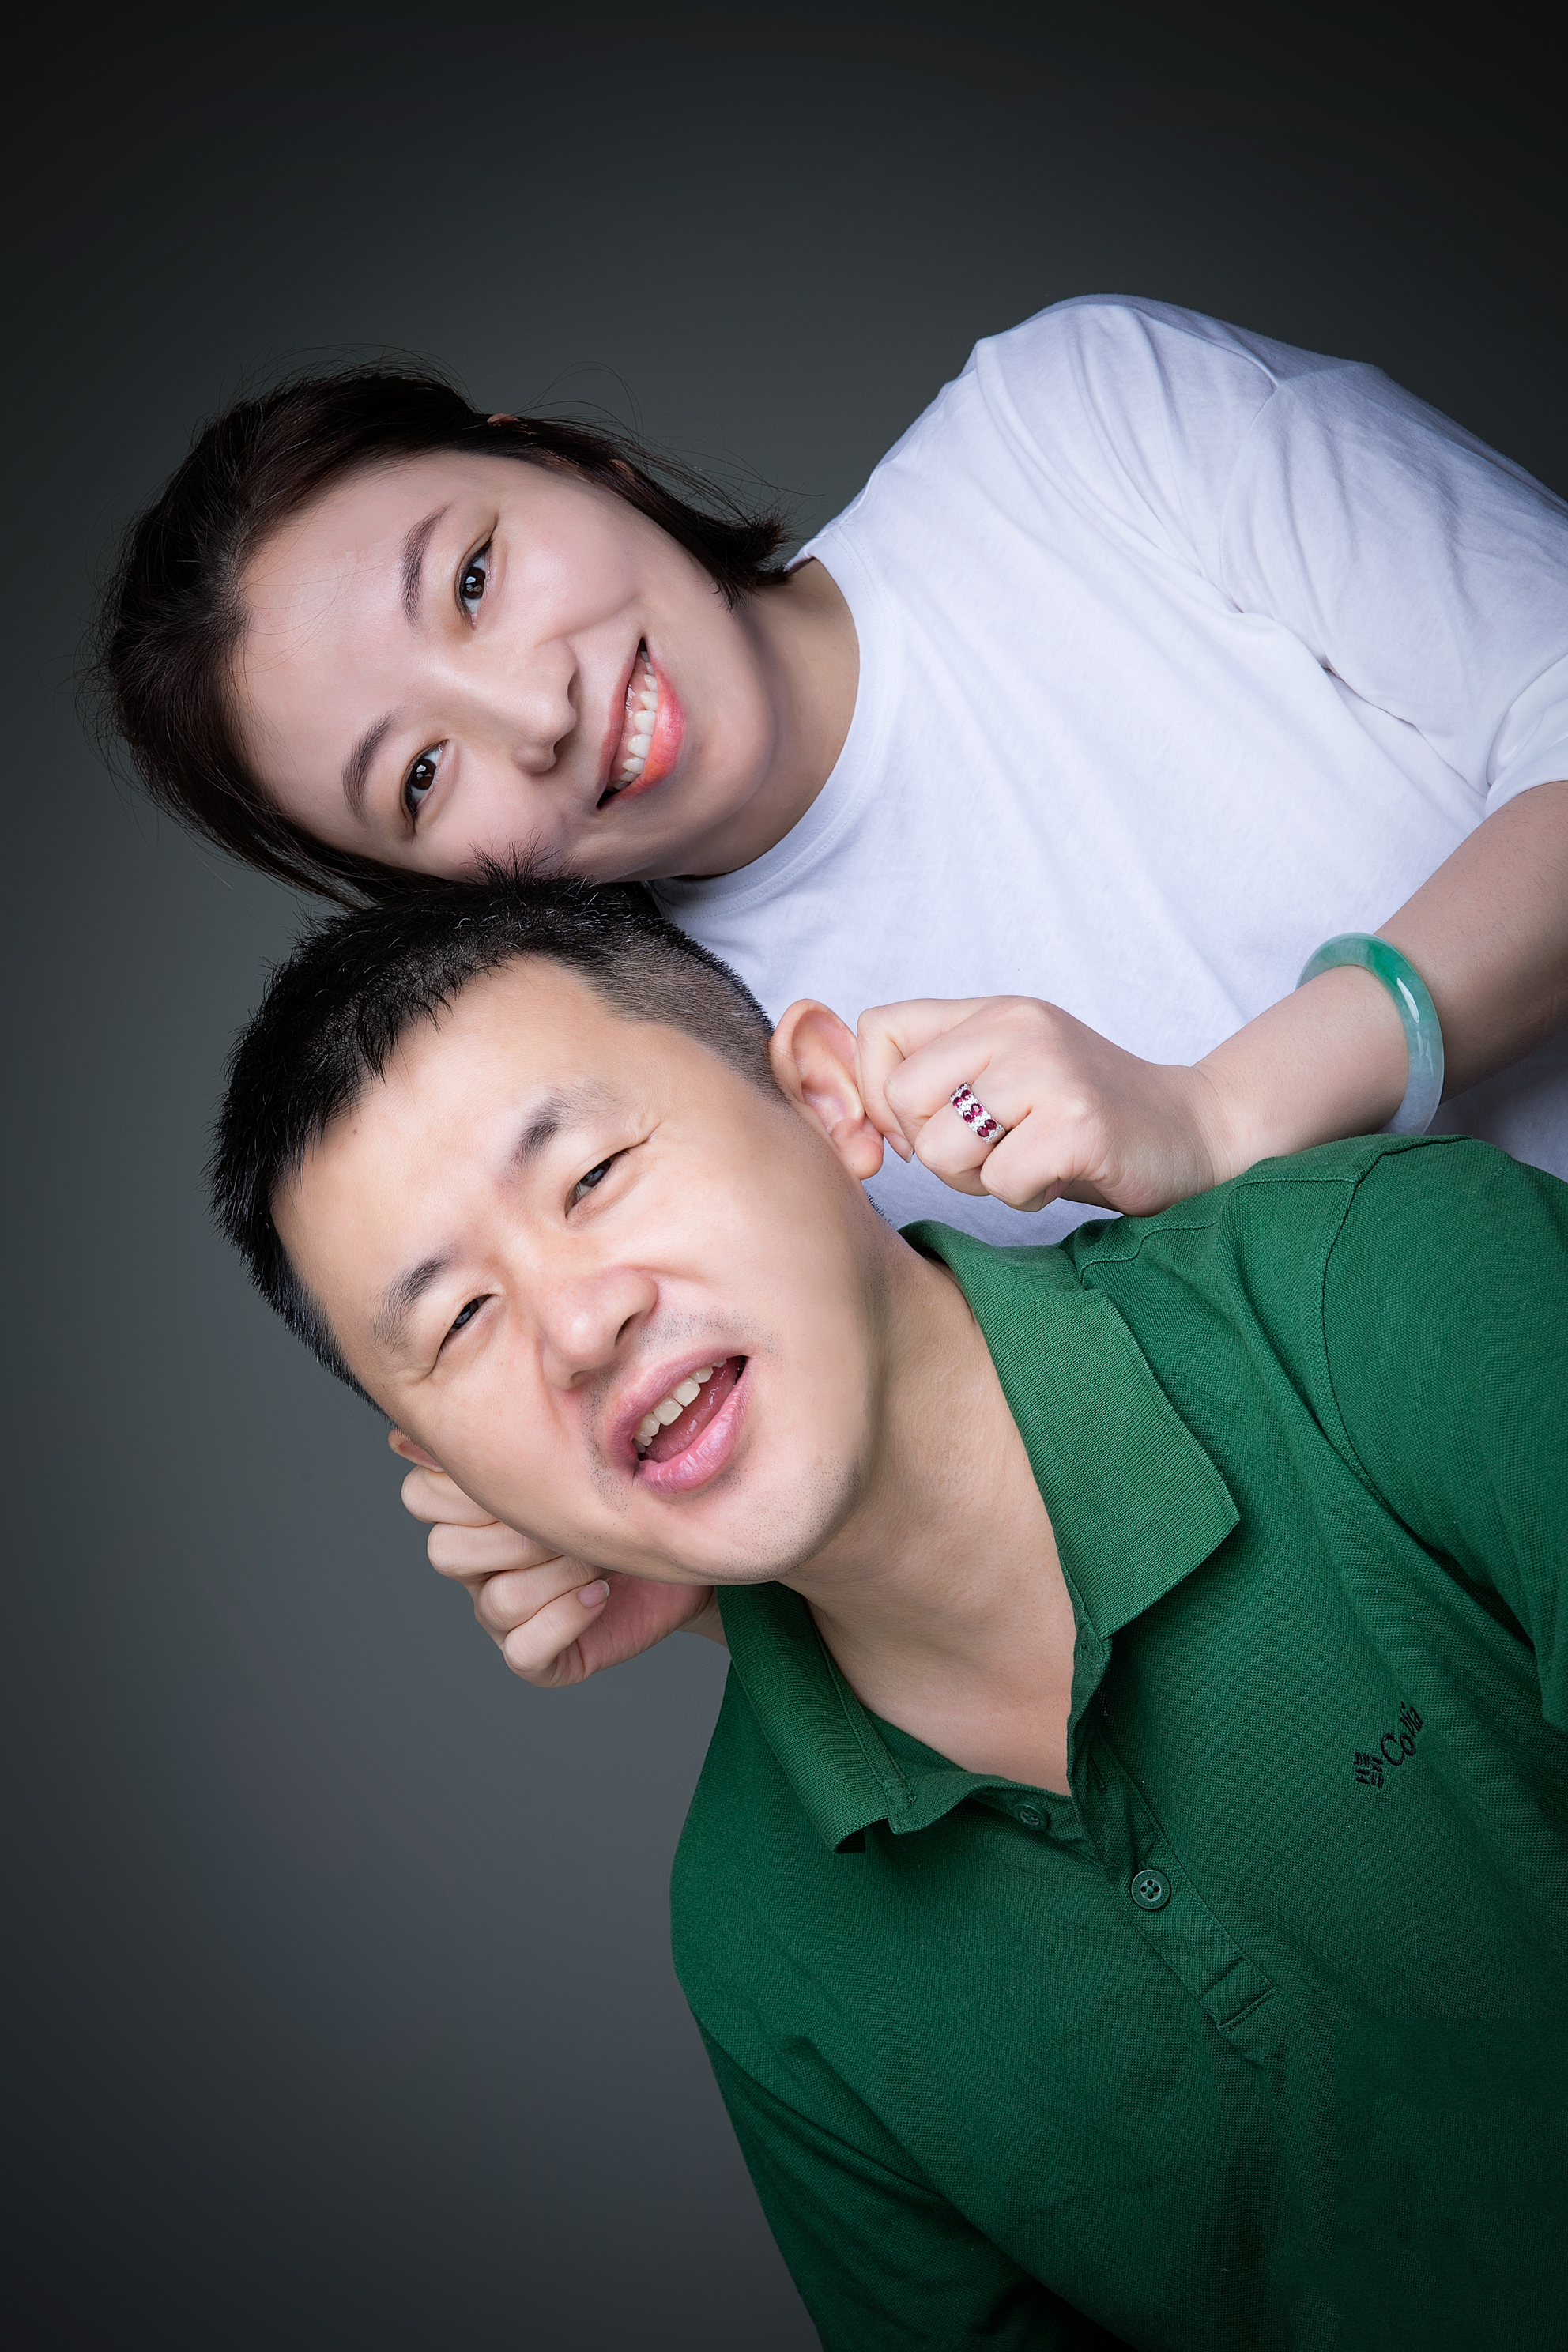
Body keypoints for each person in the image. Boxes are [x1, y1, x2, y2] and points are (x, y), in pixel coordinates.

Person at [102, 295, 1568, 1687]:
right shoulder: (684, 1097)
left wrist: (1225, 1108)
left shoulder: (1079, 425)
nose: (535, 712)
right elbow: (1091, 1564)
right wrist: (730, 1578)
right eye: (423, 776)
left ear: (558, 457)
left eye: (473, 580)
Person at [211, 867, 1567, 2351]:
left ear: (821, 1101)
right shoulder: (754, 1936)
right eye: (461, 1322)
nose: (580, 1329)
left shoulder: (1389, 1292)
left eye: (593, 1176)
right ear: (446, 1473)